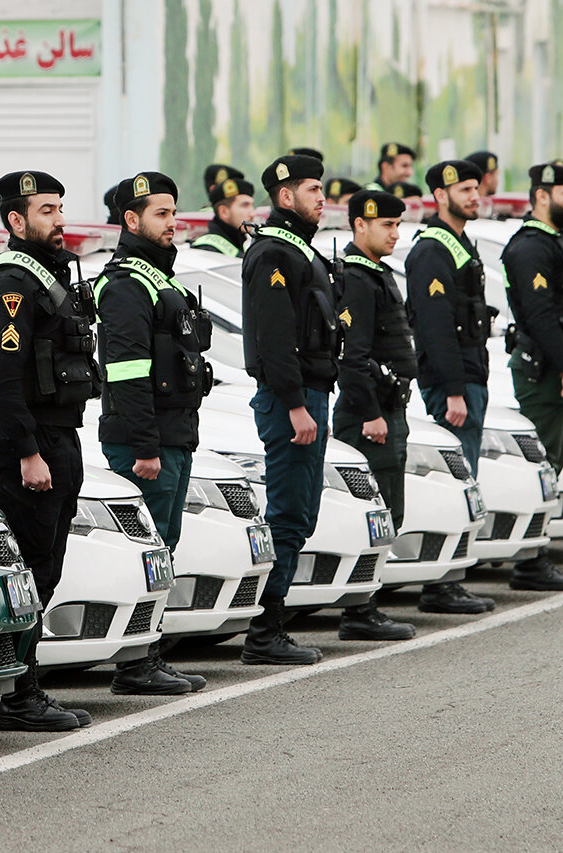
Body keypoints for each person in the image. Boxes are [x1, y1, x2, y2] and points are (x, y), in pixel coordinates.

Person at [0, 170, 95, 730]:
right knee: (32, 572)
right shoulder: (13, 286)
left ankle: (24, 687)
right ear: (17, 221)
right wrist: (27, 450)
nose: (59, 219)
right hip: (33, 446)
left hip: (58, 437)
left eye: (60, 207)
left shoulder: (47, 278)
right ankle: (20, 696)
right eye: (46, 210)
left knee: (46, 568)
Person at [95, 171, 211, 691]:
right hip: (147, 442)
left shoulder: (161, 278)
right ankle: (135, 665)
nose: (173, 223)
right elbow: (125, 374)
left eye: (172, 212)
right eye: (161, 214)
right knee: (149, 549)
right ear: (132, 220)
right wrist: (144, 446)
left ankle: (149, 653)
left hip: (173, 434)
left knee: (165, 545)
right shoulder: (125, 285)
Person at [241, 153, 333, 665]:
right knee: (288, 513)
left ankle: (270, 623)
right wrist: (297, 406)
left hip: (306, 397)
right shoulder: (275, 254)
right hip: (288, 402)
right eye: (313, 189)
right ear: (285, 197)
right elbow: (276, 342)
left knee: (301, 512)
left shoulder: (299, 252)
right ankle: (264, 631)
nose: (322, 198)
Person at [499, 161, 563, 590]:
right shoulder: (530, 247)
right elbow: (539, 316)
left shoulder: (560, 241)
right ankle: (530, 563)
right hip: (544, 372)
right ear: (542, 195)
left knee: (552, 464)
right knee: (543, 465)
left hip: (558, 369)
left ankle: (536, 554)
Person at [405, 159, 496, 614]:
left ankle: (452, 575)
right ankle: (440, 584)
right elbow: (436, 328)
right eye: (465, 189)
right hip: (454, 386)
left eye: (477, 187)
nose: (475, 195)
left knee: (467, 482)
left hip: (470, 379)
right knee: (455, 482)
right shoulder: (432, 251)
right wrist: (455, 391)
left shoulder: (459, 243)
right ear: (440, 196)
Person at [331, 190, 420, 639]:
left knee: (390, 510)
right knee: (376, 510)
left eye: (397, 225)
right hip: (369, 415)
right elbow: (353, 354)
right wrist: (369, 413)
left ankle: (367, 602)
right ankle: (359, 611)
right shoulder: (357, 278)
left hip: (389, 407)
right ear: (359, 225)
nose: (394, 233)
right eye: (386, 225)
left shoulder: (377, 274)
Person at [191, 175, 255, 258]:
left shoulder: (237, 242)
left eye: (252, 205)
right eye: (245, 205)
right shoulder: (208, 250)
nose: (252, 213)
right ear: (224, 212)